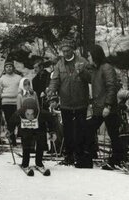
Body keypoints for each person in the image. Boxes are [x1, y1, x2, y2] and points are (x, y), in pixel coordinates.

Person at [77, 44, 122, 169]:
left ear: (95, 55)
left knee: (113, 134)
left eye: (90, 55)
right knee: (88, 129)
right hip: (99, 108)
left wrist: (108, 105)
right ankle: (88, 158)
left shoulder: (106, 68)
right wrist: (81, 72)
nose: (88, 58)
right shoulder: (96, 69)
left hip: (108, 108)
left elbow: (111, 87)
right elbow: (92, 80)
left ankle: (116, 160)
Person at [48, 38, 89, 166]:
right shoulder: (59, 64)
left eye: (68, 50)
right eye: (63, 51)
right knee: (68, 131)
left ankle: (80, 155)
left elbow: (90, 78)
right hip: (65, 103)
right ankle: (69, 155)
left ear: (73, 50)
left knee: (80, 130)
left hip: (80, 102)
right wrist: (51, 92)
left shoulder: (82, 61)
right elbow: (55, 80)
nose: (65, 53)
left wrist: (82, 71)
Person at [7, 98, 57, 173]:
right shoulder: (19, 113)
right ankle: (25, 164)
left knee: (41, 143)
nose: (30, 116)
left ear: (35, 112)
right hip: (26, 130)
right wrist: (9, 131)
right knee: (26, 144)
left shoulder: (42, 113)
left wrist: (52, 132)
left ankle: (39, 163)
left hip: (39, 129)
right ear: (24, 111)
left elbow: (51, 120)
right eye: (28, 114)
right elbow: (11, 122)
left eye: (32, 114)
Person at [0, 60, 22, 146]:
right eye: (7, 67)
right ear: (4, 69)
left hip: (16, 102)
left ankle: (19, 136)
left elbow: (21, 88)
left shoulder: (18, 78)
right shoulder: (2, 79)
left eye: (10, 66)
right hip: (6, 102)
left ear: (13, 68)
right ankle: (12, 139)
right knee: (9, 121)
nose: (9, 68)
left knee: (17, 120)